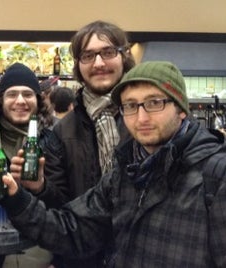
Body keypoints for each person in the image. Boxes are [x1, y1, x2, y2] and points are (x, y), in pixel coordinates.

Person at [0, 61, 226, 267]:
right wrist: (16, 197)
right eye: (130, 105)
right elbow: (73, 230)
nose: (141, 117)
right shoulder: (126, 173)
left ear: (181, 109)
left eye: (154, 103)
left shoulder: (225, 181)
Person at [43, 20, 135, 266]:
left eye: (107, 52)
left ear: (124, 56)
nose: (98, 63)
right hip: (82, 257)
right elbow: (59, 206)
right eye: (88, 55)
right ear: (78, 65)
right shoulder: (62, 131)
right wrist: (39, 186)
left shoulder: (146, 118)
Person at [0, 63, 66, 268]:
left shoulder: (54, 142)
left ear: (38, 100)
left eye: (27, 94)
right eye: (12, 94)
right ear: (1, 101)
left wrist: (41, 187)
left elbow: (67, 205)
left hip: (44, 259)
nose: (20, 101)